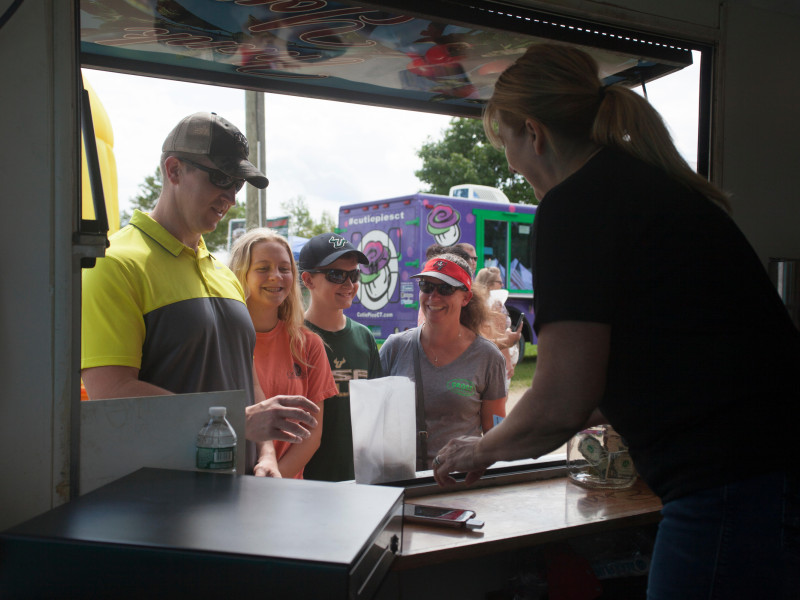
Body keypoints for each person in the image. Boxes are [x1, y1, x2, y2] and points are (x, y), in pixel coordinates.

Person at [431, 44, 800, 599]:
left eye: (504, 142)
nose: (509, 163)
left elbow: (559, 404)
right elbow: (639, 368)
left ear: (534, 133)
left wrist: (478, 451)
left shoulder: (576, 206)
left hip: (733, 485)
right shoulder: (648, 189)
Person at [81, 112, 319, 471]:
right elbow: (111, 392)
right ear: (174, 170)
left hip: (237, 493)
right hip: (159, 500)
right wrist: (236, 422)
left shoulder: (223, 275)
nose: (231, 197)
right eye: (221, 178)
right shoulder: (115, 263)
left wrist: (267, 452)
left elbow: (245, 375)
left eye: (237, 184)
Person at [229, 228, 338, 479]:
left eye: (284, 268)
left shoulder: (308, 344)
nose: (275, 276)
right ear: (240, 274)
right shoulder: (222, 341)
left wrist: (275, 482)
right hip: (227, 490)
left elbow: (312, 434)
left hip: (283, 490)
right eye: (263, 268)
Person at [380, 254, 507, 469]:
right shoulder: (394, 347)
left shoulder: (488, 357)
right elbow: (373, 420)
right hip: (400, 481)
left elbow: (495, 432)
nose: (433, 296)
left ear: (465, 298)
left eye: (445, 288)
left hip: (457, 482)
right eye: (426, 286)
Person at [298, 233, 384, 482]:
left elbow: (376, 414)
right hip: (306, 482)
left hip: (358, 480)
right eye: (336, 275)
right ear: (308, 279)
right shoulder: (293, 338)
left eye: (354, 275)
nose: (349, 284)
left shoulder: (363, 337)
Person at [474, 266, 522, 387]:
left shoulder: (476, 303)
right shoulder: (496, 302)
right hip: (496, 358)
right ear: (489, 284)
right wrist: (508, 362)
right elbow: (499, 334)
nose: (502, 285)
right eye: (500, 282)